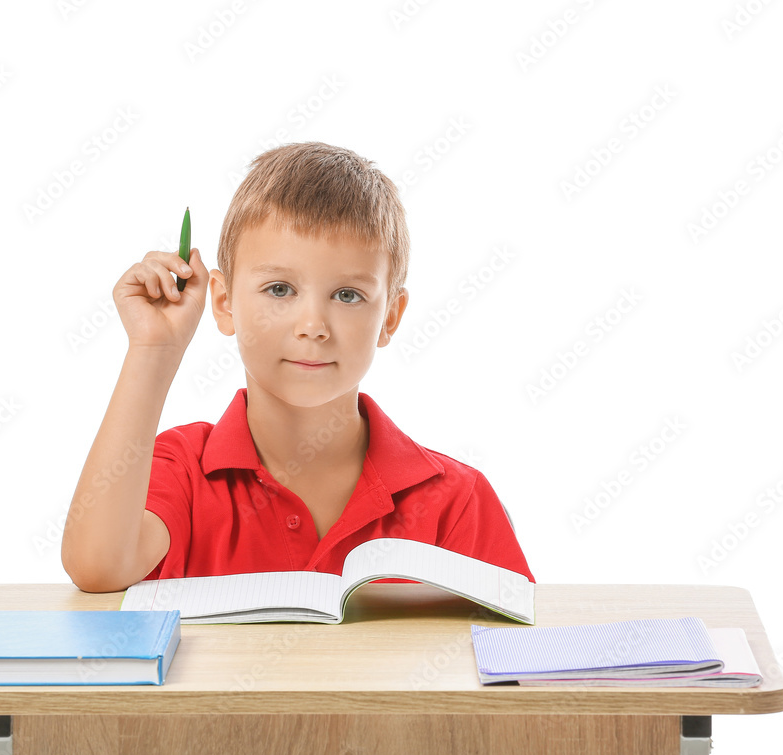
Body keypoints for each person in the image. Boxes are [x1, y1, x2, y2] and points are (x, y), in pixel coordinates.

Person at [61, 141, 534, 592]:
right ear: (223, 303)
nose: (313, 326)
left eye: (347, 295)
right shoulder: (180, 469)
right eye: (280, 290)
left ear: (389, 316)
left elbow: (513, 660)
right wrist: (153, 350)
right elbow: (98, 567)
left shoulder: (457, 501)